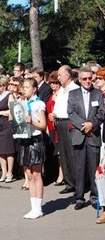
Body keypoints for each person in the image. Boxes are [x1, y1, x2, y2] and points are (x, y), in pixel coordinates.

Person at [68, 66, 103, 210]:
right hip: (79, 135)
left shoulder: (98, 94)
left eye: (90, 78)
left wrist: (92, 125)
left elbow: (102, 112)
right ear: (79, 79)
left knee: (93, 168)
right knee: (80, 168)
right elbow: (71, 113)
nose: (88, 81)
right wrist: (84, 126)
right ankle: (79, 197)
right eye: (85, 79)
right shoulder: (73, 94)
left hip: (93, 135)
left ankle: (95, 197)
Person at [20, 77, 46, 219]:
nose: (24, 89)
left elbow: (43, 125)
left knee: (36, 174)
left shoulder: (38, 104)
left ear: (34, 88)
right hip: (24, 139)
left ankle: (39, 207)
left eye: (27, 87)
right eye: (23, 87)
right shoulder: (23, 103)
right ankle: (33, 207)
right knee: (29, 175)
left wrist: (32, 121)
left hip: (36, 140)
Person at [52, 65, 79, 194]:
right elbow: (58, 106)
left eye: (60, 75)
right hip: (60, 122)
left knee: (72, 154)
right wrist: (54, 114)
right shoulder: (61, 90)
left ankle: (77, 183)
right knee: (63, 154)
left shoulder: (75, 89)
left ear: (67, 76)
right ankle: (69, 183)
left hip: (69, 122)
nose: (58, 78)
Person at [0, 76, 15, 183]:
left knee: (8, 150)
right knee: (1, 151)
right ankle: (4, 172)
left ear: (5, 86)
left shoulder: (9, 96)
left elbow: (12, 111)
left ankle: (10, 172)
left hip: (7, 125)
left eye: (0, 85)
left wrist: (1, 113)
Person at [46, 71, 63, 185]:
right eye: (51, 83)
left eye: (55, 83)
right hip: (51, 126)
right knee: (56, 152)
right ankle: (59, 173)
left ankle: (62, 175)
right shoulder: (50, 95)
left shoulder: (61, 94)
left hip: (59, 126)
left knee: (61, 152)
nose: (53, 85)